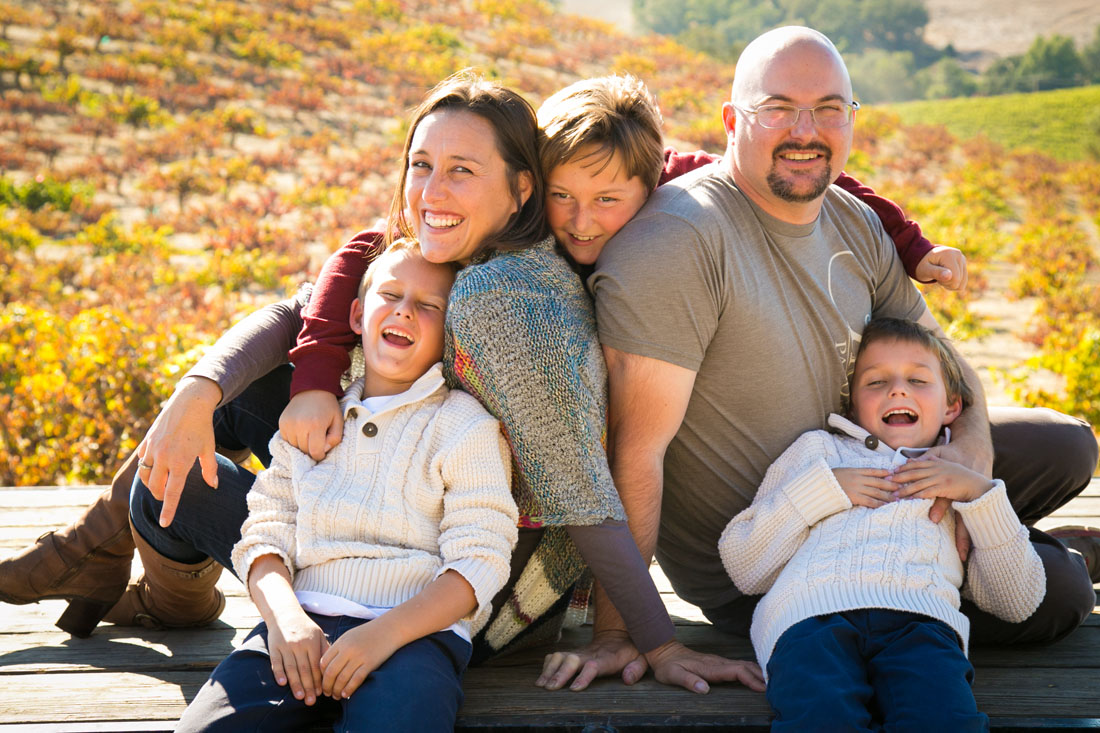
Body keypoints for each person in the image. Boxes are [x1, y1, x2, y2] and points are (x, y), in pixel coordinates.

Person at [560, 26, 1097, 691]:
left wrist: (972, 452)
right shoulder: (679, 240)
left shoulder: (852, 219)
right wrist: (621, 631)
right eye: (779, 107)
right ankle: (1030, 551)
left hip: (873, 467)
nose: (806, 129)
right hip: (775, 549)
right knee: (1064, 589)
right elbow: (634, 453)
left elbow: (946, 363)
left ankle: (987, 534)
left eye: (829, 109)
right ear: (733, 120)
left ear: (851, 121)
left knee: (1069, 445)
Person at [174, 239, 518, 732]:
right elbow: (265, 535)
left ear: (450, 332)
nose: (405, 312)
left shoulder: (464, 426)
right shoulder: (313, 420)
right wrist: (285, 620)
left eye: (428, 306)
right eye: (392, 296)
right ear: (357, 316)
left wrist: (384, 635)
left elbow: (480, 560)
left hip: (413, 638)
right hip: (299, 624)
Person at [721, 317, 1045, 731]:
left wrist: (981, 496)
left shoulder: (960, 476)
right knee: (823, 721)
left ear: (952, 405)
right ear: (853, 405)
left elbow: (1016, 602)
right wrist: (824, 490)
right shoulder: (819, 452)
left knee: (943, 723)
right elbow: (744, 564)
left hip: (921, 624)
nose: (897, 389)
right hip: (811, 620)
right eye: (875, 382)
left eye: (917, 380)